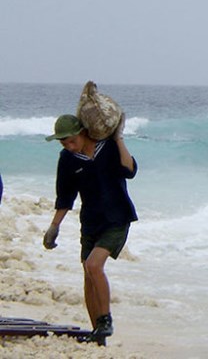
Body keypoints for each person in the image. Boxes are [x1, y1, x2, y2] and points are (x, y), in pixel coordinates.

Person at [43, 114, 137, 344]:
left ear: (83, 133)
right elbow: (65, 197)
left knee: (93, 265)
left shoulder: (108, 148)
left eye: (71, 140)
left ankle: (105, 320)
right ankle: (98, 334)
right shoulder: (67, 159)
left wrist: (119, 139)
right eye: (63, 142)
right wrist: (54, 226)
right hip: (91, 222)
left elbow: (130, 169)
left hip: (117, 218)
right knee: (88, 274)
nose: (68, 145)